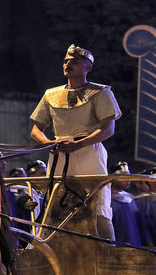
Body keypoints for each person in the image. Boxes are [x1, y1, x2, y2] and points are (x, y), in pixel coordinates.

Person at [30, 44, 121, 240]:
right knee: (54, 202)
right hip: (59, 153)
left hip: (89, 152)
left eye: (74, 61)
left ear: (88, 67)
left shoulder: (101, 92)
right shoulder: (50, 94)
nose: (68, 64)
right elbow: (36, 129)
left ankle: (109, 249)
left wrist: (79, 144)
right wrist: (48, 143)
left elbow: (109, 128)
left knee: (97, 204)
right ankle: (46, 247)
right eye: (65, 61)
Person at [101, 162, 141, 275]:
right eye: (122, 176)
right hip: (116, 244)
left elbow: (141, 223)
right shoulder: (107, 198)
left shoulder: (130, 199)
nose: (127, 179)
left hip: (133, 243)